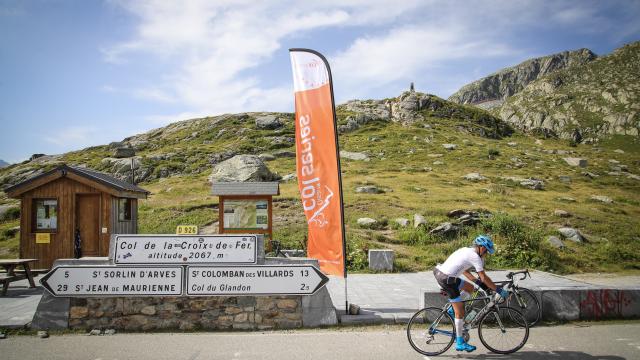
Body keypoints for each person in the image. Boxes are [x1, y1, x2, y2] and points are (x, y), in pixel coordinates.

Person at [433, 235, 508, 352]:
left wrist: (481, 284)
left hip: (445, 274)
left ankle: (453, 309)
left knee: (470, 288)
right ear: (481, 248)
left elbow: (465, 271)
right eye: (486, 251)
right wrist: (498, 290)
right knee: (460, 313)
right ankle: (459, 342)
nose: (487, 253)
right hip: (446, 279)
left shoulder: (467, 251)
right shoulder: (474, 256)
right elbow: (483, 277)